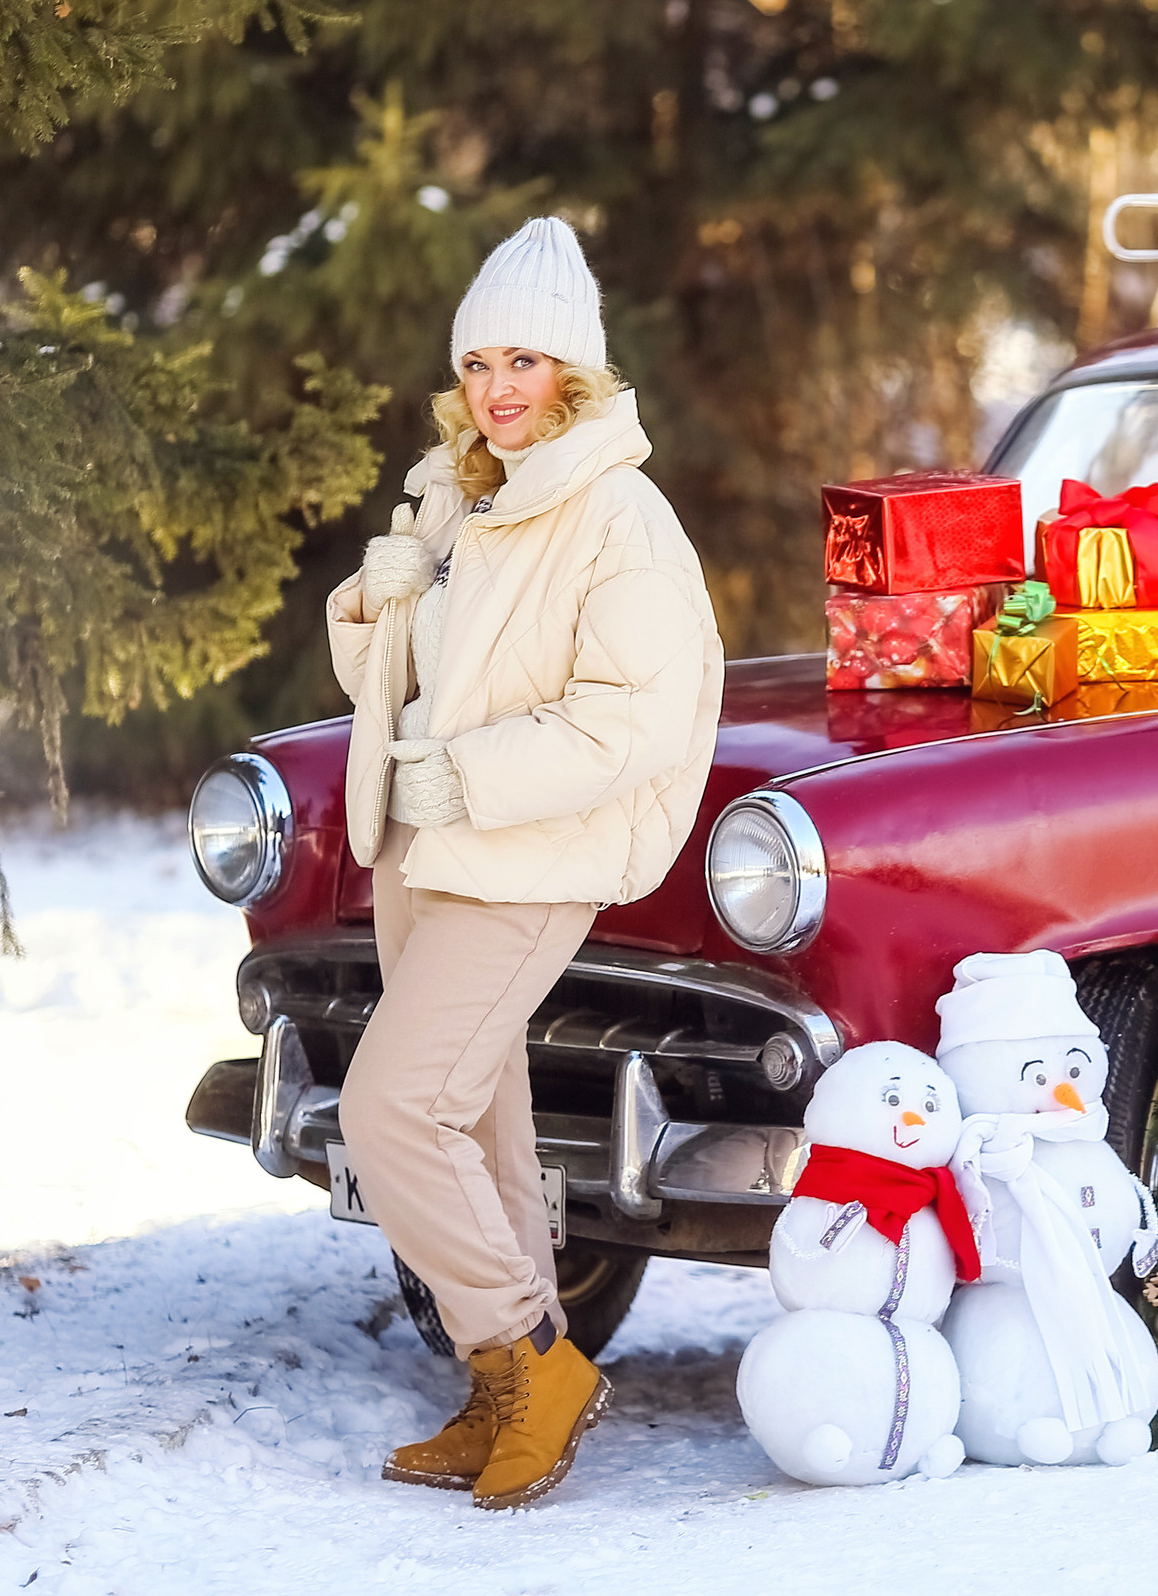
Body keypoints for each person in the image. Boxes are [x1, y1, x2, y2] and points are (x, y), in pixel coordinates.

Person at [326, 217, 724, 1509]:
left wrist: (475, 777)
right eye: (482, 362)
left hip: (530, 852)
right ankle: (500, 1388)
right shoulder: (464, 496)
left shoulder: (619, 516)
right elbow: (412, 692)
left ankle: (538, 1363)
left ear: (580, 376)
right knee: (479, 1123)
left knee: (393, 1110)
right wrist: (375, 610)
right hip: (431, 845)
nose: (500, 389)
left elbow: (632, 719)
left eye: (528, 363)